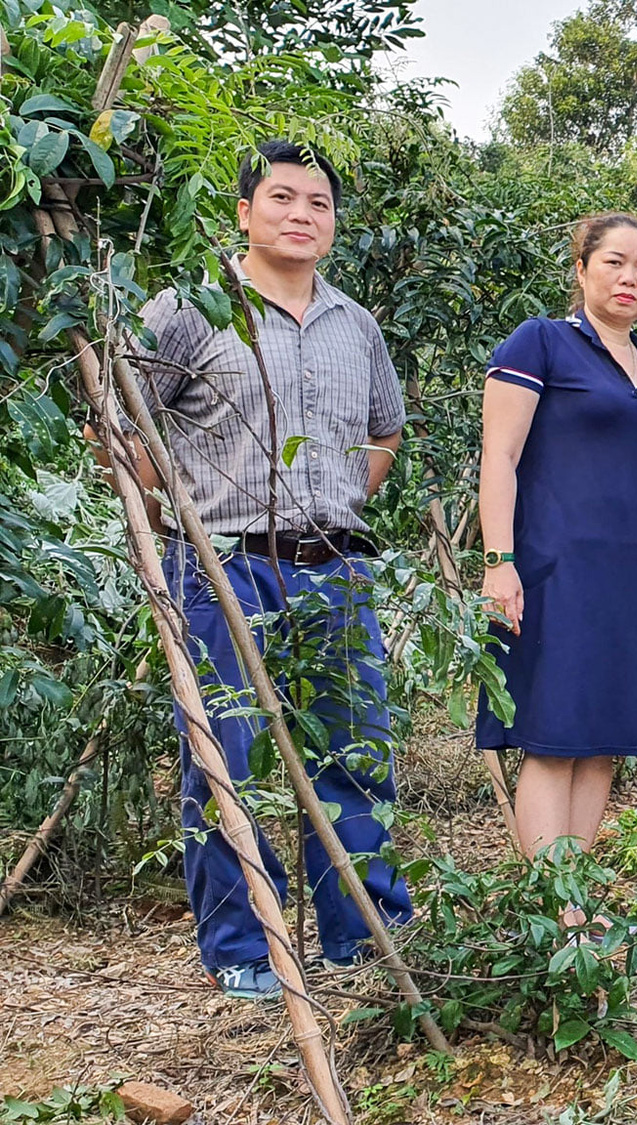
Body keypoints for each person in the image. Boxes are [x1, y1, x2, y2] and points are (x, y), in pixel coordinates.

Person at [114, 141, 412, 1001]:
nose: (301, 215)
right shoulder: (191, 307)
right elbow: (119, 413)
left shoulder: (355, 323)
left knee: (354, 755)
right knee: (224, 760)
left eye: (318, 204)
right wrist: (164, 494)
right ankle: (248, 947)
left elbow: (385, 431)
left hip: (336, 568)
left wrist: (340, 496)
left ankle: (363, 930)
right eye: (282, 198)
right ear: (244, 212)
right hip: (223, 563)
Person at [476, 213, 637, 903]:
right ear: (582, 269)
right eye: (615, 262)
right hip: (551, 567)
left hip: (624, 581)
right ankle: (553, 909)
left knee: (603, 737)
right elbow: (499, 456)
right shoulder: (540, 342)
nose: (629, 278)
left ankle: (578, 897)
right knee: (553, 734)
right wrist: (498, 559)